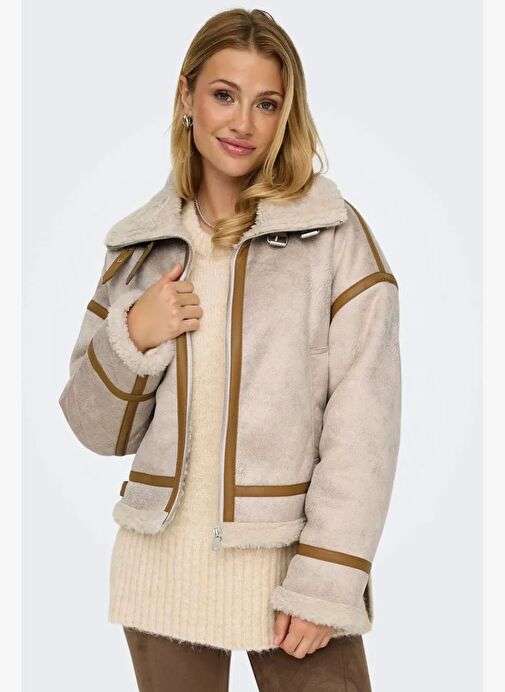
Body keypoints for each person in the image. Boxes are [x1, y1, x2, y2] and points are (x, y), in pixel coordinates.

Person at [58, 8, 401, 691]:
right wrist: (134, 336)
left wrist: (328, 578)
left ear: (285, 115)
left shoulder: (333, 236)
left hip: (293, 574)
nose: (242, 122)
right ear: (186, 96)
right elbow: (94, 429)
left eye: (266, 103)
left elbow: (365, 421)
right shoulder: (139, 249)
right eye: (223, 95)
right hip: (160, 574)